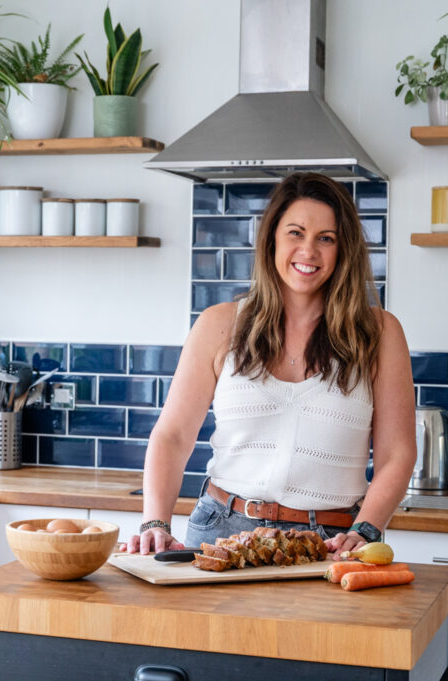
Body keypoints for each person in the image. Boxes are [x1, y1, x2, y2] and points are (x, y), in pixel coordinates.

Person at [126, 172, 416, 559]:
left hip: (332, 543)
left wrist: (367, 528)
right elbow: (173, 436)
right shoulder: (219, 324)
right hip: (221, 531)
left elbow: (397, 453)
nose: (308, 251)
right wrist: (155, 523)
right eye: (295, 233)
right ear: (272, 239)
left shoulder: (380, 333)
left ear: (343, 249)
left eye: (325, 238)